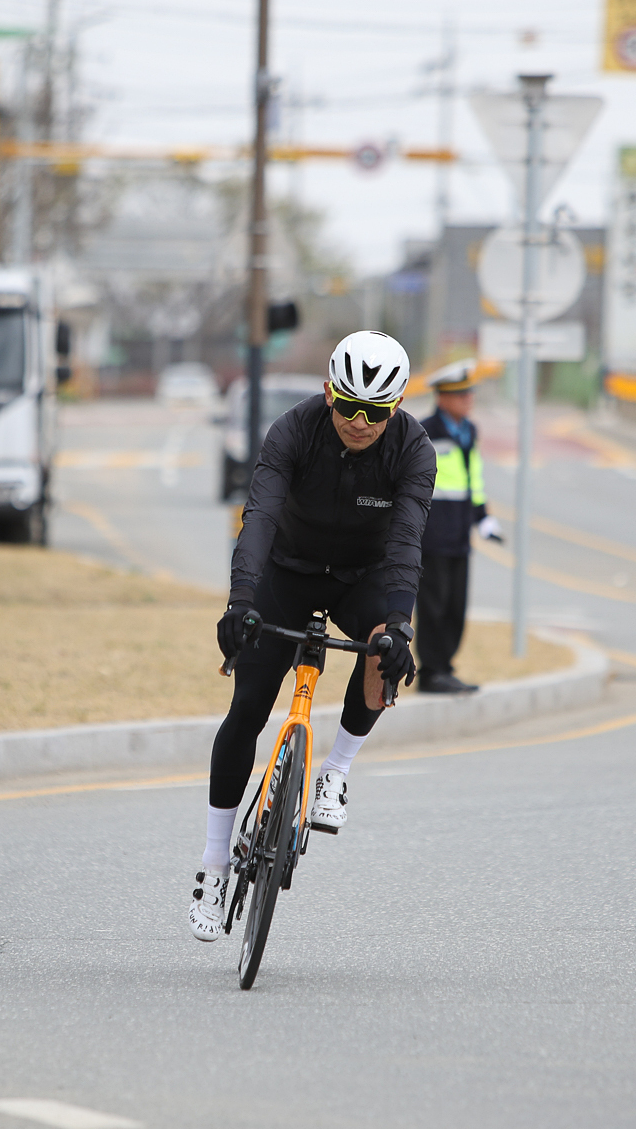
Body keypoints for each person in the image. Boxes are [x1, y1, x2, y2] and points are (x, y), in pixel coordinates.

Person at [189, 330, 436, 942]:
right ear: (329, 392)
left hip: (362, 577)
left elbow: (407, 544)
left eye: (375, 412)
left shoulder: (414, 450)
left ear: (397, 406)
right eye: (348, 405)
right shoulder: (292, 431)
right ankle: (214, 865)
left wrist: (399, 624)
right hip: (288, 573)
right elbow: (259, 519)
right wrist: (240, 601)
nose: (360, 422)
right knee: (248, 708)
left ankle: (337, 768)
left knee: (385, 646)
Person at [414, 359, 502, 694]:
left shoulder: (469, 432)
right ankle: (431, 672)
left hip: (460, 535)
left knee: (455, 607)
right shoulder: (425, 433)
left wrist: (483, 518)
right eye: (461, 395)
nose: (468, 400)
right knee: (433, 607)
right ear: (443, 398)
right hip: (433, 535)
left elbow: (472, 480)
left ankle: (445, 668)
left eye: (470, 394)